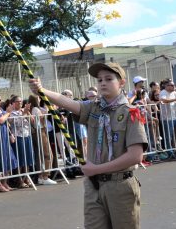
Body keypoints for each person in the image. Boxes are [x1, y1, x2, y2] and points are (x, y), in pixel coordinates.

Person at [29, 62, 148, 228]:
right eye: (99, 80)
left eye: (108, 79)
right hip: (94, 186)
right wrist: (41, 90)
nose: (103, 83)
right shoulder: (94, 108)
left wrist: (97, 169)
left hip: (120, 185)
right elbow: (66, 102)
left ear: (121, 82)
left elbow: (135, 156)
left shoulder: (130, 112)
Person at [8, 95, 34, 188]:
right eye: (18, 101)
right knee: (20, 158)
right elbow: (17, 123)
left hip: (27, 135)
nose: (20, 103)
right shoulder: (11, 113)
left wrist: (27, 113)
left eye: (21, 101)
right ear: (13, 103)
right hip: (18, 136)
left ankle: (26, 178)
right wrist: (24, 114)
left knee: (27, 158)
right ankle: (19, 180)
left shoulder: (24, 110)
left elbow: (32, 121)